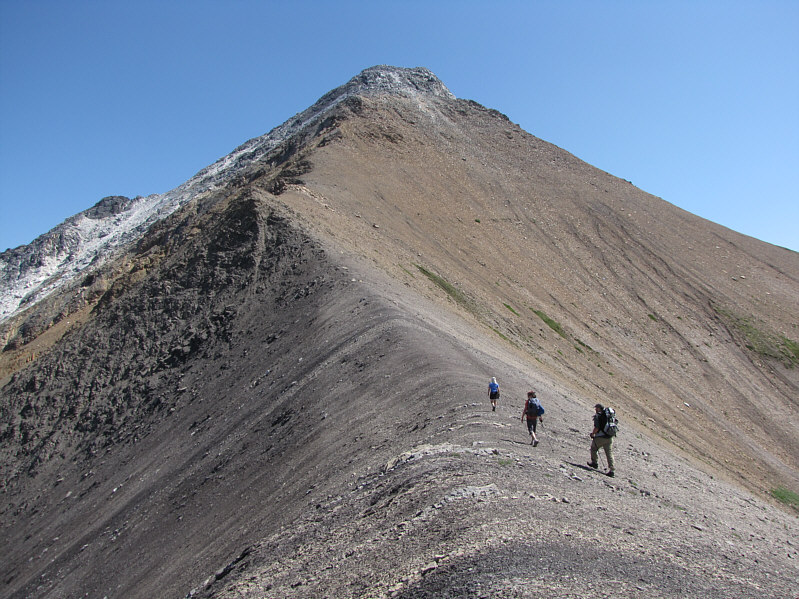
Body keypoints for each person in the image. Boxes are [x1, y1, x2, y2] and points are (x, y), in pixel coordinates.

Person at [588, 403, 615, 477]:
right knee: (609, 453)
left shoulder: (598, 416)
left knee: (593, 448)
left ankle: (594, 462)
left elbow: (597, 428)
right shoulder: (608, 416)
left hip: (600, 437)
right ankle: (612, 470)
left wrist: (593, 434)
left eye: (596, 408)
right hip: (609, 438)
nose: (595, 409)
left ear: (599, 408)